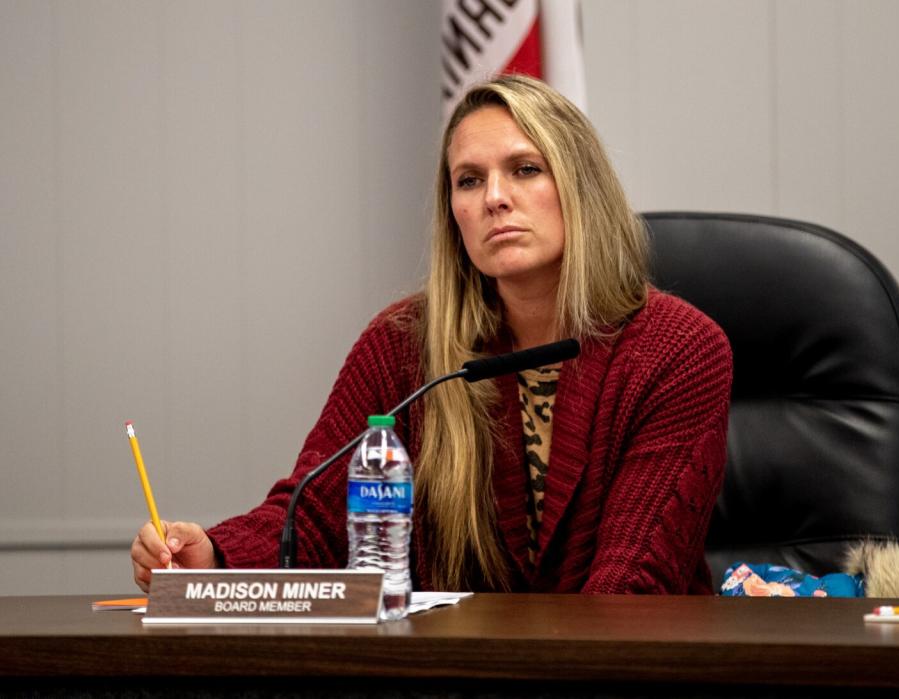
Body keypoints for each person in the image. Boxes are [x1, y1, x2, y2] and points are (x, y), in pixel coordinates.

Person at [131, 75, 733, 595]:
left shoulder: (679, 349)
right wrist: (213, 556)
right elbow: (315, 516)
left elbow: (633, 583)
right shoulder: (404, 342)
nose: (495, 198)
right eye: (469, 181)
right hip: (449, 670)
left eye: (525, 169)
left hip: (624, 677)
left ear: (581, 189)